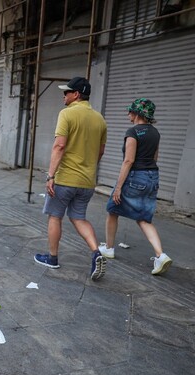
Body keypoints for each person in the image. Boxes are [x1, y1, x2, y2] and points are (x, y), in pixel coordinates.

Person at [34, 77, 108, 281]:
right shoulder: (100, 119)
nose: (63, 95)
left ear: (76, 94)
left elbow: (59, 146)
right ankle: (96, 253)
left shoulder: (67, 114)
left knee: (55, 216)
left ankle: (52, 258)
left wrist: (50, 175)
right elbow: (100, 151)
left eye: (66, 92)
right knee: (78, 218)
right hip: (87, 181)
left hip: (65, 178)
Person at [98, 99, 171, 275]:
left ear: (138, 114)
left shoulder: (133, 132)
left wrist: (118, 188)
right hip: (152, 176)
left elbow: (128, 160)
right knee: (144, 218)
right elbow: (155, 158)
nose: (128, 114)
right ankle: (161, 255)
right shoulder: (155, 133)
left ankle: (108, 248)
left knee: (112, 208)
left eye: (131, 111)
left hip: (135, 176)